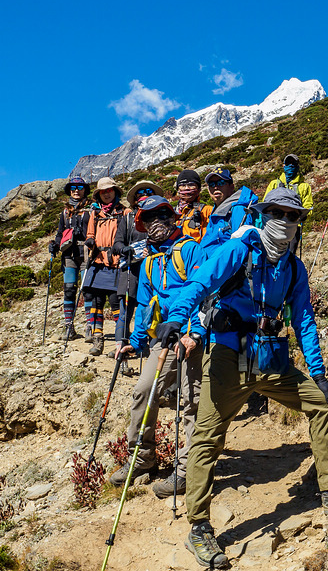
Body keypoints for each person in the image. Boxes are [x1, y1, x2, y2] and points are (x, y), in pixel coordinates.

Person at [155, 188, 328, 570]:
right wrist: (175, 316)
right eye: (277, 213)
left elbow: (303, 320)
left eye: (293, 216)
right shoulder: (241, 250)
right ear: (262, 213)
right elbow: (201, 282)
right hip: (227, 357)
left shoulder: (294, 268)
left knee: (321, 403)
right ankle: (199, 527)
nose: (285, 223)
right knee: (207, 436)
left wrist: (318, 374)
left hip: (270, 359)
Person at [111, 196, 205, 498]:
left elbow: (205, 292)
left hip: (191, 336)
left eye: (163, 215)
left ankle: (187, 469)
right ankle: (143, 457)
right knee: (143, 391)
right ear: (143, 226)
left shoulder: (189, 250)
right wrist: (136, 343)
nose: (157, 222)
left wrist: (195, 332)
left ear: (173, 218)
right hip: (161, 339)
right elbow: (144, 307)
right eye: (149, 219)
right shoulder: (150, 262)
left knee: (190, 402)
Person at [110, 180, 165, 368]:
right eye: (140, 193)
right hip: (131, 272)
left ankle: (151, 352)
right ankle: (122, 354)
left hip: (154, 271)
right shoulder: (127, 219)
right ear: (134, 199)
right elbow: (116, 244)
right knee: (125, 313)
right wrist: (125, 249)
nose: (144, 195)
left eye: (149, 192)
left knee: (151, 310)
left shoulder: (162, 217)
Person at [84, 177, 129, 356]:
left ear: (116, 192)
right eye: (103, 192)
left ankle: (120, 342)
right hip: (98, 261)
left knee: (116, 302)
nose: (107, 194)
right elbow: (90, 233)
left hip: (117, 262)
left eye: (110, 190)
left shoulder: (125, 213)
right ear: (99, 195)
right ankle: (97, 339)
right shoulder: (95, 214)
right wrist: (90, 240)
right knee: (96, 301)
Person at [49, 177, 92, 342]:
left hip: (87, 253)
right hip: (69, 254)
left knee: (87, 290)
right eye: (73, 187)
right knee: (69, 290)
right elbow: (60, 233)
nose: (76, 190)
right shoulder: (65, 212)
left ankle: (90, 327)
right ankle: (69, 326)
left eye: (80, 187)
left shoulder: (91, 209)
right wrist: (55, 244)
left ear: (84, 190)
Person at [198, 168, 259, 254]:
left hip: (221, 264)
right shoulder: (215, 211)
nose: (216, 187)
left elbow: (239, 246)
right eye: (211, 184)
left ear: (231, 187)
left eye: (221, 183)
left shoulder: (238, 209)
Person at [265, 154, 313, 253]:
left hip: (294, 226)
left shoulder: (304, 186)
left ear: (297, 166)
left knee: (290, 253)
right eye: (288, 163)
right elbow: (266, 203)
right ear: (283, 166)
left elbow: (308, 206)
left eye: (293, 163)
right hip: (275, 224)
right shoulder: (274, 184)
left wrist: (302, 216)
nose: (291, 166)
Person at [175, 169, 212, 242]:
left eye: (191, 185)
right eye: (182, 185)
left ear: (199, 190)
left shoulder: (207, 211)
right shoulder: (171, 213)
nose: (186, 188)